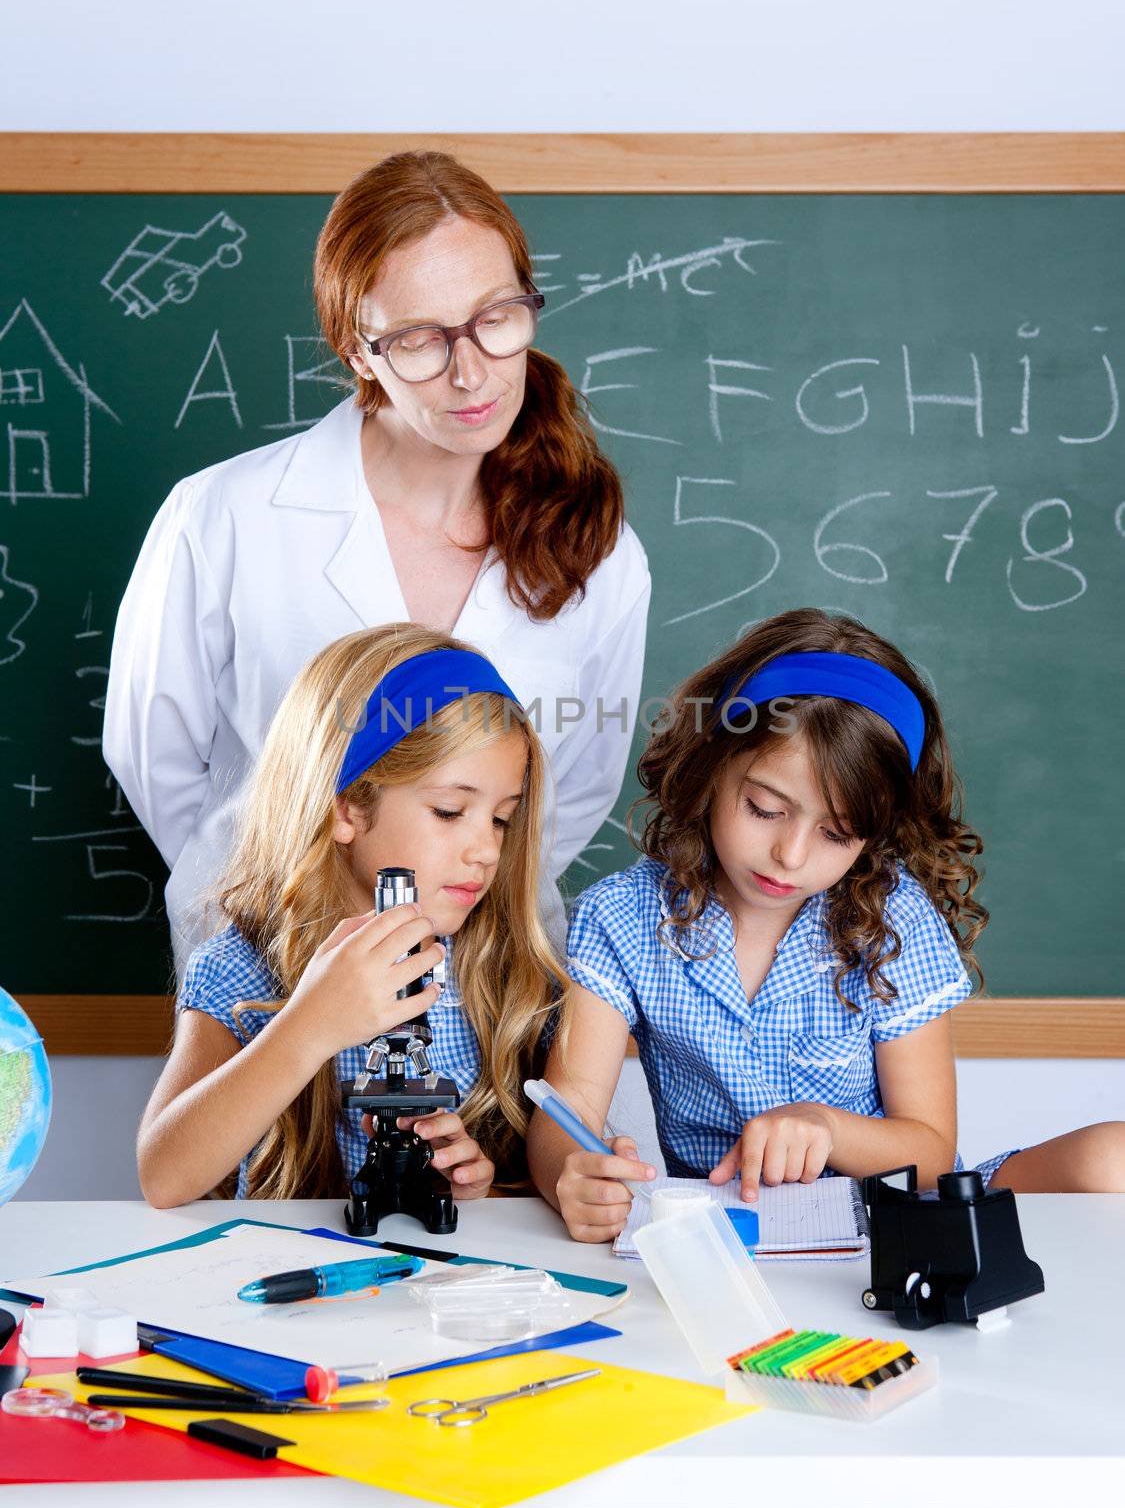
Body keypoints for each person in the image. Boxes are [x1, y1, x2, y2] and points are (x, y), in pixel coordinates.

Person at [104, 150, 650, 975]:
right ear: (358, 351)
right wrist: (282, 886)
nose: (472, 372)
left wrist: (461, 902)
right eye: (420, 339)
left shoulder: (596, 549)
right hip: (269, 960)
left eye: (497, 316)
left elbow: (572, 787)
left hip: (485, 977)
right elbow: (153, 754)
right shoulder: (222, 515)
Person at [527, 608, 1125, 1241]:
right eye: (763, 809)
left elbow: (929, 1154)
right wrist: (573, 1172)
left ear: (873, 834)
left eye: (836, 833)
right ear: (711, 766)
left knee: (1110, 1154)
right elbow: (568, 1111)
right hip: (730, 1232)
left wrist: (828, 1127)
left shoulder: (892, 921)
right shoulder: (620, 917)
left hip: (890, 1226)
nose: (790, 855)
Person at [138, 625, 566, 1207]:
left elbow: (536, 1193)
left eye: (500, 819)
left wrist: (475, 1187)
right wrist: (310, 1024)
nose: (486, 850)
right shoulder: (241, 968)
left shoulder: (499, 972)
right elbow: (163, 1177)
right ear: (346, 809)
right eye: (449, 811)